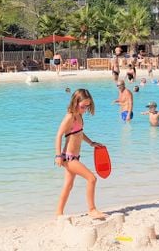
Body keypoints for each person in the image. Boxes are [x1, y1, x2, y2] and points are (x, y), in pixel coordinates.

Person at [54, 89, 106, 219]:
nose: (85, 109)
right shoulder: (70, 116)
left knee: (68, 185)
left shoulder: (79, 116)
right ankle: (92, 210)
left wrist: (91, 143)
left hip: (75, 156)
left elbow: (79, 134)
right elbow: (59, 135)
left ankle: (58, 213)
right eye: (83, 106)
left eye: (88, 106)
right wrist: (58, 155)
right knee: (91, 178)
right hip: (68, 157)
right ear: (75, 102)